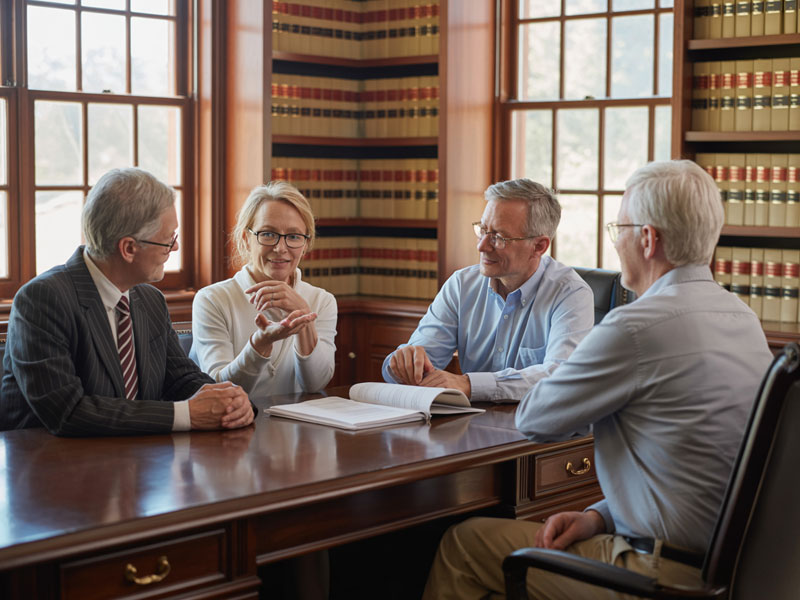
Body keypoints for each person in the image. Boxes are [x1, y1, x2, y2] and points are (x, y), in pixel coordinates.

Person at [421, 160, 774, 599]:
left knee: (464, 544)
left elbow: (536, 419)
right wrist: (598, 517)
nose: (616, 241)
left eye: (618, 228)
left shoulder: (635, 327)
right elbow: (698, 469)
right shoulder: (742, 319)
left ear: (647, 239)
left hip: (657, 574)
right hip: (739, 568)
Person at [1, 168, 254, 436]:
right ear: (129, 248)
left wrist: (229, 400)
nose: (175, 248)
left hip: (134, 460)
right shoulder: (42, 300)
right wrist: (188, 414)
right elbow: (68, 412)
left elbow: (180, 378)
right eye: (169, 240)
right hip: (47, 465)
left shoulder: (149, 299)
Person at [382, 178, 594, 401]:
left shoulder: (571, 294)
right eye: (482, 230)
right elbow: (420, 361)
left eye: (499, 237)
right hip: (470, 425)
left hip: (540, 429)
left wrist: (469, 384)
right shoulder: (461, 285)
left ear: (539, 246)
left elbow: (562, 377)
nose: (481, 246)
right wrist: (404, 363)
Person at [190, 181, 336, 398]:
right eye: (268, 234)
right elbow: (219, 388)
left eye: (294, 237)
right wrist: (260, 345)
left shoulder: (321, 301)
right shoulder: (212, 299)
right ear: (246, 239)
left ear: (305, 245)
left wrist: (306, 319)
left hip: (297, 429)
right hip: (230, 427)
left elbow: (316, 385)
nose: (280, 248)